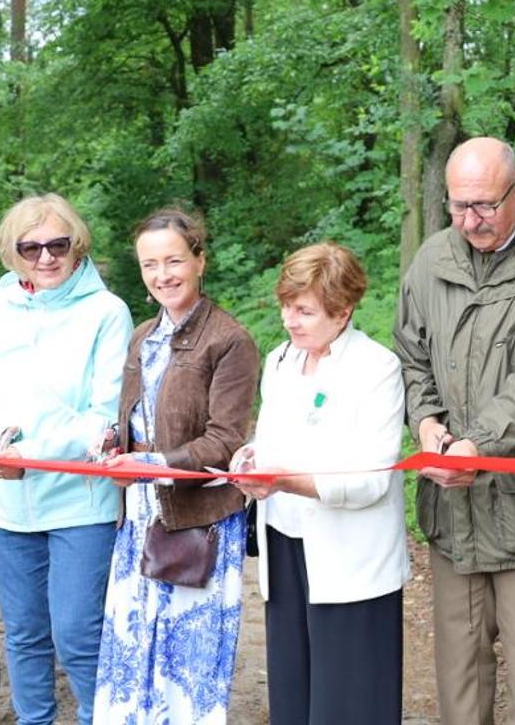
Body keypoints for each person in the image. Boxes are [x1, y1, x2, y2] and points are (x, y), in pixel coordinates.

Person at [392, 137, 515, 725]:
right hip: (454, 515)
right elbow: (411, 353)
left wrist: (479, 443)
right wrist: (426, 423)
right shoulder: (432, 260)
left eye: (484, 205)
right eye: (458, 206)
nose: (470, 220)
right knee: (459, 686)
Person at [0, 193, 131, 725]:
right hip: (6, 499)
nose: (46, 257)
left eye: (58, 244)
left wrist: (31, 452)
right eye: (31, 248)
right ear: (13, 252)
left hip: (80, 500)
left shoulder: (107, 311)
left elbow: (103, 416)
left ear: (78, 246)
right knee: (25, 634)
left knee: (78, 634)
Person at [229, 242, 408, 725]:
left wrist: (286, 481)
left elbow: (370, 478)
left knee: (350, 702)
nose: (290, 319)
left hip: (351, 559)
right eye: (287, 305)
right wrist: (250, 459)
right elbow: (272, 440)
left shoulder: (377, 369)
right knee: (292, 693)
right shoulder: (281, 360)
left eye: (304, 310)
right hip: (285, 546)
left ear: (343, 310)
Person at [93, 207, 259, 724]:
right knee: (134, 643)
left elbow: (225, 439)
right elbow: (137, 417)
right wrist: (112, 443)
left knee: (188, 660)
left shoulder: (230, 340)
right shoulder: (143, 335)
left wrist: (153, 461)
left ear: (199, 261)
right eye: (149, 264)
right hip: (139, 512)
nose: (162, 274)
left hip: (197, 517)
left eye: (173, 260)